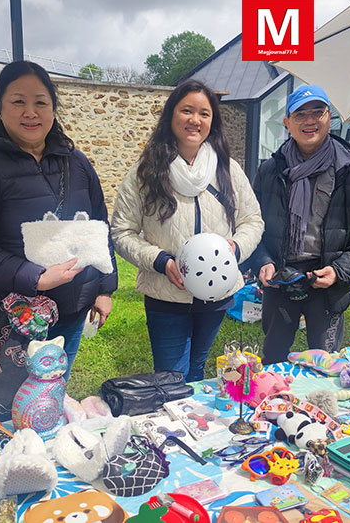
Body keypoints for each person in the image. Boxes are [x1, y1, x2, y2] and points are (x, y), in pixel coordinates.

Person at [0, 60, 117, 415]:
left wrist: (104, 287)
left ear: (53, 108)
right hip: (15, 314)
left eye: (40, 102)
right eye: (18, 101)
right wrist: (36, 278)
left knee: (48, 400)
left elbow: (100, 227)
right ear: (0, 108)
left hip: (71, 310)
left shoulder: (76, 162)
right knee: (6, 411)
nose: (31, 112)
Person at [111, 80, 264, 382]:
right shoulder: (146, 172)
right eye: (187, 111)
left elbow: (253, 220)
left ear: (212, 121)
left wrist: (234, 249)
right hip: (167, 294)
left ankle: (190, 425)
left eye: (204, 113)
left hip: (217, 290)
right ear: (171, 116)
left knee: (197, 369)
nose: (195, 120)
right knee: (171, 376)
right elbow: (121, 231)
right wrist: (161, 261)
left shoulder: (228, 170)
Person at [252, 84, 350, 364]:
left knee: (325, 363)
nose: (309, 121)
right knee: (273, 359)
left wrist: (339, 271)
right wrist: (263, 260)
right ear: (287, 123)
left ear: (329, 118)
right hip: (280, 279)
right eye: (300, 114)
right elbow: (252, 226)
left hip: (328, 282)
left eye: (317, 112)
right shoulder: (268, 172)